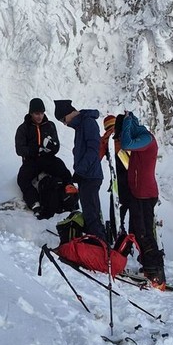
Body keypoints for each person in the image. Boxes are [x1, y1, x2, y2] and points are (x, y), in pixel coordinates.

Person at [114, 111, 166, 287]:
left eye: (121, 133)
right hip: (137, 193)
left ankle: (156, 270)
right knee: (138, 231)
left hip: (145, 194)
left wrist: (127, 122)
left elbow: (127, 143)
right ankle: (149, 266)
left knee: (144, 233)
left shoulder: (146, 139)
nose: (120, 138)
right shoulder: (140, 140)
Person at [53, 100, 105, 240]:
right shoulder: (81, 125)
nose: (65, 123)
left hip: (90, 176)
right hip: (87, 175)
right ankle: (97, 244)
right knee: (90, 213)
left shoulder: (88, 123)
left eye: (63, 119)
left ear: (69, 113)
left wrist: (80, 171)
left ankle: (100, 249)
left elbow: (92, 150)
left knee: (91, 214)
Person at [14, 99, 73, 216]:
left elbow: (56, 147)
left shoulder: (50, 126)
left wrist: (51, 147)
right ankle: (34, 203)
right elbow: (19, 150)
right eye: (36, 113)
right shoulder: (23, 128)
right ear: (31, 113)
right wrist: (36, 149)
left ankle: (69, 195)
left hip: (48, 158)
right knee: (22, 178)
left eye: (41, 113)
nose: (39, 116)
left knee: (63, 170)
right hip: (31, 161)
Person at [100, 113, 131, 237]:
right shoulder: (127, 135)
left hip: (118, 178)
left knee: (117, 212)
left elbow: (98, 155)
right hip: (132, 177)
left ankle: (118, 235)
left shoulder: (107, 137)